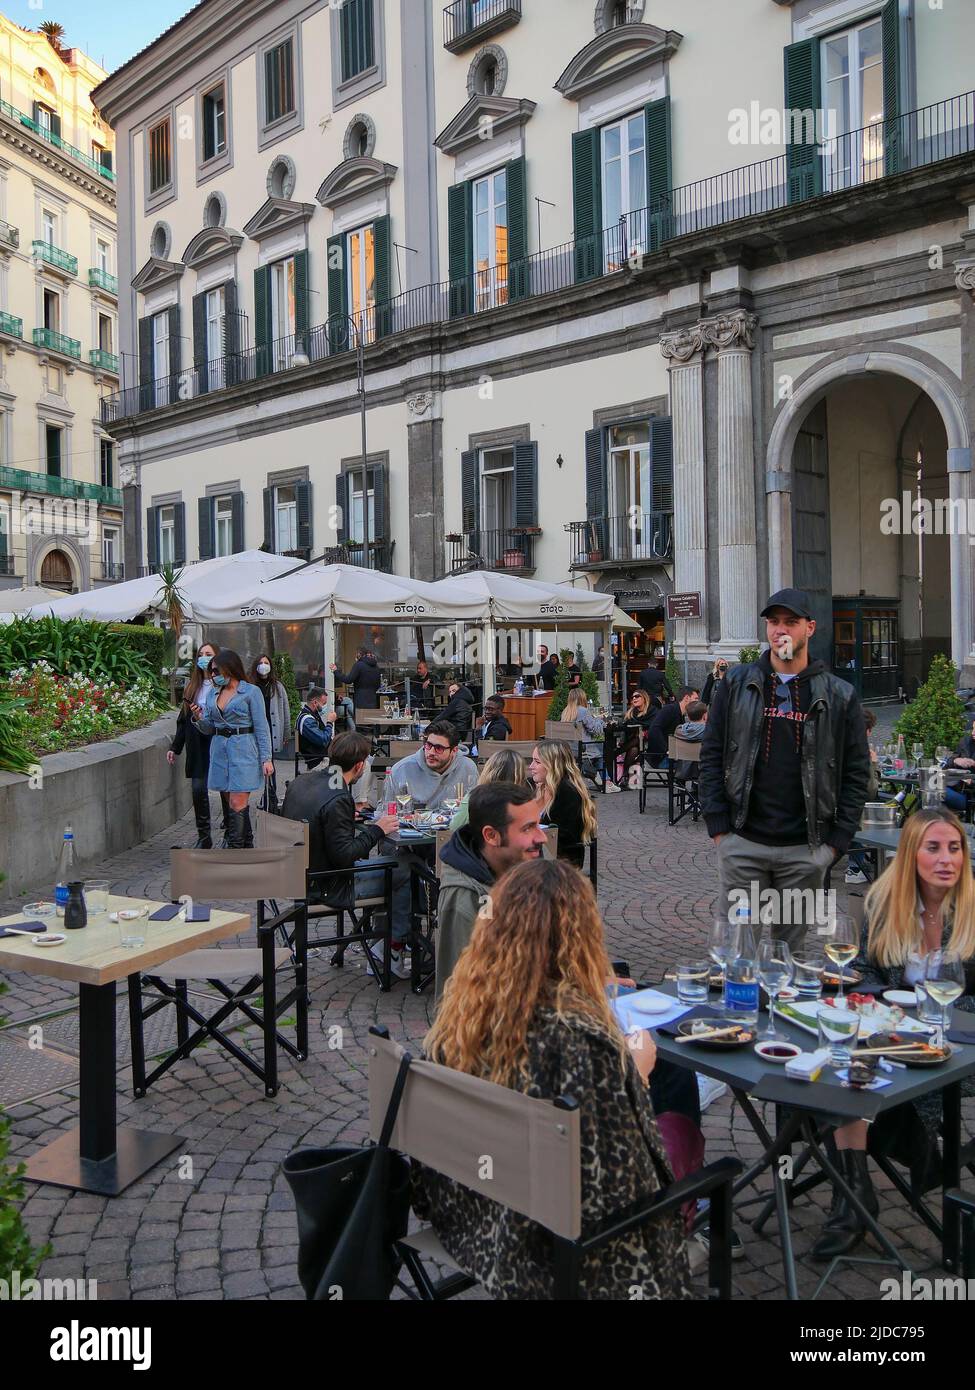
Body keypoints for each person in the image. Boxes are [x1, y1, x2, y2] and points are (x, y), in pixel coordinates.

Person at [415, 858, 691, 1300]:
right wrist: (634, 1074)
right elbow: (617, 1184)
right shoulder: (583, 1044)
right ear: (582, 938)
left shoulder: (459, 1017)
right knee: (680, 1080)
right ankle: (697, 1210)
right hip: (552, 1249)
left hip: (468, 1217)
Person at [811, 809, 975, 1260]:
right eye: (933, 848)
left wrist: (930, 1013)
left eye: (954, 848)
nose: (947, 859)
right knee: (840, 1061)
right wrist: (855, 984)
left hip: (960, 1048)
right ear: (910, 856)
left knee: (857, 1070)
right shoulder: (886, 904)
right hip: (891, 1039)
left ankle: (887, 1178)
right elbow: (863, 970)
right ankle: (855, 1195)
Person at [700, 588, 870, 952]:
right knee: (738, 957)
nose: (781, 631)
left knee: (787, 958)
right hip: (743, 845)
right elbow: (712, 754)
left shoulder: (840, 695)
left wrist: (835, 845)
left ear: (810, 627)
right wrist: (719, 830)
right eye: (774, 622)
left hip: (804, 851)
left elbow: (857, 774)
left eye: (791, 622)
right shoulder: (736, 684)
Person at [379, 719, 480, 970]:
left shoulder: (467, 769)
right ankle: (394, 942)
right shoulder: (403, 769)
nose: (430, 752)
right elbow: (385, 814)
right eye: (427, 745)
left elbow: (475, 812)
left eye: (438, 748)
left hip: (451, 846)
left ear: (454, 750)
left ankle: (462, 946)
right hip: (409, 843)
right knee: (400, 869)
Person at [436, 782, 548, 1001]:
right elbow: (460, 995)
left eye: (539, 825)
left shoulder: (532, 860)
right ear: (491, 836)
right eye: (527, 828)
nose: (542, 837)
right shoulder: (465, 898)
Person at [281, 732, 397, 907]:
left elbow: (314, 815)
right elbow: (345, 856)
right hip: (327, 887)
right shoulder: (339, 798)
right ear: (359, 766)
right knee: (406, 868)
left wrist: (337, 819)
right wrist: (378, 830)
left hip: (293, 876)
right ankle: (396, 933)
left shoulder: (301, 781)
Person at [193, 649, 274, 849]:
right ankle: (247, 845)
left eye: (216, 671)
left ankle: (235, 849)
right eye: (212, 671)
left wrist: (266, 758)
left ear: (230, 668)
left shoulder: (250, 692)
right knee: (233, 804)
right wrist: (198, 718)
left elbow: (262, 727)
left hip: (244, 750)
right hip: (220, 751)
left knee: (238, 802)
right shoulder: (213, 693)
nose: (213, 675)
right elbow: (210, 727)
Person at [167, 641, 219, 847]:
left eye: (209, 653)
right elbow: (182, 720)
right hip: (197, 745)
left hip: (217, 742)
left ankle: (232, 831)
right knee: (198, 789)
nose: (204, 657)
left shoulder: (222, 684)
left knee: (224, 788)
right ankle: (204, 835)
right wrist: (175, 747)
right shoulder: (192, 687)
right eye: (201, 654)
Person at [529, 739, 597, 869]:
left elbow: (566, 837)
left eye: (537, 762)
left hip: (561, 862)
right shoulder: (539, 787)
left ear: (552, 765)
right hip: (543, 856)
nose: (531, 766)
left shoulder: (567, 792)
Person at [248, 653, 291, 808]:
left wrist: (287, 733)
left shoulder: (277, 687)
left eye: (266, 662)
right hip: (254, 731)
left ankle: (270, 795)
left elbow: (285, 711)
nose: (263, 665)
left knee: (269, 763)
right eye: (260, 662)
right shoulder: (250, 686)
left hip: (272, 731)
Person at [450, 748, 530, 830]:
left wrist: (464, 807)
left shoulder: (474, 798)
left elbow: (454, 827)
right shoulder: (525, 802)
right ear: (521, 775)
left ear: (488, 771)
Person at [845, 708, 879, 884]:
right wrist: (874, 765)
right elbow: (870, 791)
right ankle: (855, 866)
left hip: (826, 806)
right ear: (867, 731)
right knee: (882, 806)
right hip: (848, 811)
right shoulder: (860, 752)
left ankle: (861, 859)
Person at [645, 685, 701, 768]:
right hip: (662, 758)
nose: (698, 702)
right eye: (695, 699)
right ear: (686, 698)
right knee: (697, 765)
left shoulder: (679, 714)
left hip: (671, 757)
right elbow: (654, 729)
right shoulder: (669, 709)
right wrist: (667, 750)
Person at [561, 688, 608, 785]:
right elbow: (596, 730)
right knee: (600, 749)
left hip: (569, 749)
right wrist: (600, 719)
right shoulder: (583, 711)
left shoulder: (565, 712)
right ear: (582, 698)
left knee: (597, 748)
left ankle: (600, 779)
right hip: (583, 750)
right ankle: (606, 782)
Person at [295, 686, 336, 771]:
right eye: (323, 703)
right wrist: (329, 722)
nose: (324, 706)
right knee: (356, 765)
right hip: (320, 760)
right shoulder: (306, 719)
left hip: (325, 756)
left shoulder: (313, 714)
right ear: (315, 703)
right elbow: (323, 740)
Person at [621, 688, 656, 780]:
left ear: (644, 698)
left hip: (650, 744)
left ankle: (616, 753)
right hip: (633, 742)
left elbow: (653, 727)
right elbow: (625, 726)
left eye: (637, 696)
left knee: (639, 739)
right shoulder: (631, 713)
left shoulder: (652, 711)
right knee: (634, 749)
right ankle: (627, 777)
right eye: (632, 697)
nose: (634, 699)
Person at [673, 698, 708, 784]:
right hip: (703, 770)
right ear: (705, 715)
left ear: (688, 716)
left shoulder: (678, 730)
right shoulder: (709, 732)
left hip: (682, 770)